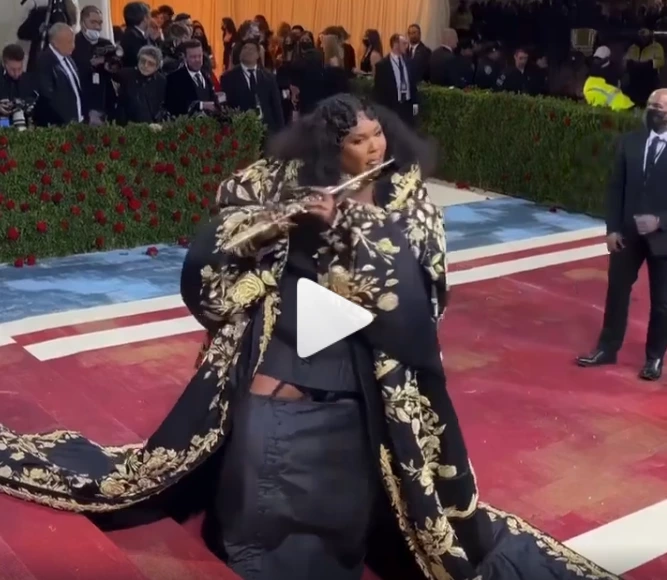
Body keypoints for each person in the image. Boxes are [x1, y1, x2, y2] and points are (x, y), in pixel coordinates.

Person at [0, 93, 617, 580]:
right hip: (296, 318)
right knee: (260, 402)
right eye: (357, 140)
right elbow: (229, 211)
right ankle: (257, 528)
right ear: (333, 146)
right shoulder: (289, 175)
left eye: (376, 134)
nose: (373, 147)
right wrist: (284, 220)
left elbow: (423, 279)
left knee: (355, 430)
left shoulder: (409, 196)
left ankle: (342, 529)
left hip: (370, 339)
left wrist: (353, 227)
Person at [577, 89, 667, 381]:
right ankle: (607, 348)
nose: (655, 111)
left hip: (663, 237)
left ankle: (654, 359)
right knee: (616, 291)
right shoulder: (630, 142)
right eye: (652, 105)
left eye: (661, 108)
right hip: (626, 234)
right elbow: (615, 188)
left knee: (662, 302)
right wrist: (612, 229)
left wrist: (660, 221)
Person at [220, 41, 284, 134]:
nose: (248, 51)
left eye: (251, 49)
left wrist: (280, 132)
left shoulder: (269, 78)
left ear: (258, 55)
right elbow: (226, 108)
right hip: (241, 132)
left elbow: (276, 106)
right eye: (245, 48)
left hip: (268, 131)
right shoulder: (228, 78)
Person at [34, 22, 84, 126]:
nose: (73, 46)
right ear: (55, 43)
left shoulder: (68, 58)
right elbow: (49, 97)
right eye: (69, 42)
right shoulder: (44, 61)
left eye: (73, 41)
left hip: (77, 121)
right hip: (59, 125)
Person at [373, 34, 418, 126]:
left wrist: (415, 109)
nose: (407, 46)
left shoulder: (409, 62)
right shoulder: (382, 65)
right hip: (392, 108)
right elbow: (379, 92)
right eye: (404, 43)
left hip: (408, 107)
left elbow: (413, 87)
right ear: (395, 44)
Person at [115, 45, 167, 124]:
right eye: (143, 61)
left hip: (150, 126)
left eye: (151, 63)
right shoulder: (125, 74)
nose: (145, 65)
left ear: (157, 67)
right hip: (125, 125)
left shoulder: (162, 81)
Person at [165, 39, 217, 117]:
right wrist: (201, 105)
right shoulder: (174, 78)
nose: (197, 60)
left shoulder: (206, 75)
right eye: (193, 57)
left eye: (200, 56)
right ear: (185, 58)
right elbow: (175, 106)